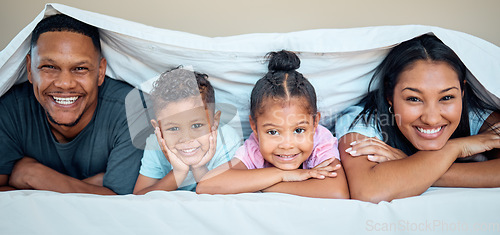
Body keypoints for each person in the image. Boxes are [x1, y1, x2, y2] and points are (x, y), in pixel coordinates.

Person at [335, 34, 500, 203]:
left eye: (447, 97)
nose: (432, 119)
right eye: (414, 99)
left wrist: (411, 165)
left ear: (462, 92)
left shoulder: (474, 115)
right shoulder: (362, 121)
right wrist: (456, 148)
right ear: (389, 95)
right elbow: (370, 191)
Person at [0, 14, 144, 195]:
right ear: (29, 69)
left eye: (80, 68)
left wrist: (36, 176)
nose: (65, 83)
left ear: (100, 72)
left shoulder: (133, 109)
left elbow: (123, 204)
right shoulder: (10, 110)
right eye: (49, 67)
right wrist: (95, 186)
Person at [197, 50, 349, 199]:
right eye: (273, 132)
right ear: (254, 127)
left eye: (299, 130)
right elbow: (206, 184)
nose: (287, 145)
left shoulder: (320, 141)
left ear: (315, 123)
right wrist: (283, 175)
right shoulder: (255, 147)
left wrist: (258, 184)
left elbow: (336, 192)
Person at [133, 67, 242, 194]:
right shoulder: (156, 144)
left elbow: (225, 196)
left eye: (196, 126)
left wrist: (199, 168)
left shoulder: (227, 139)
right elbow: (139, 196)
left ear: (215, 121)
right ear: (158, 129)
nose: (186, 139)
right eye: (174, 128)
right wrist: (178, 173)